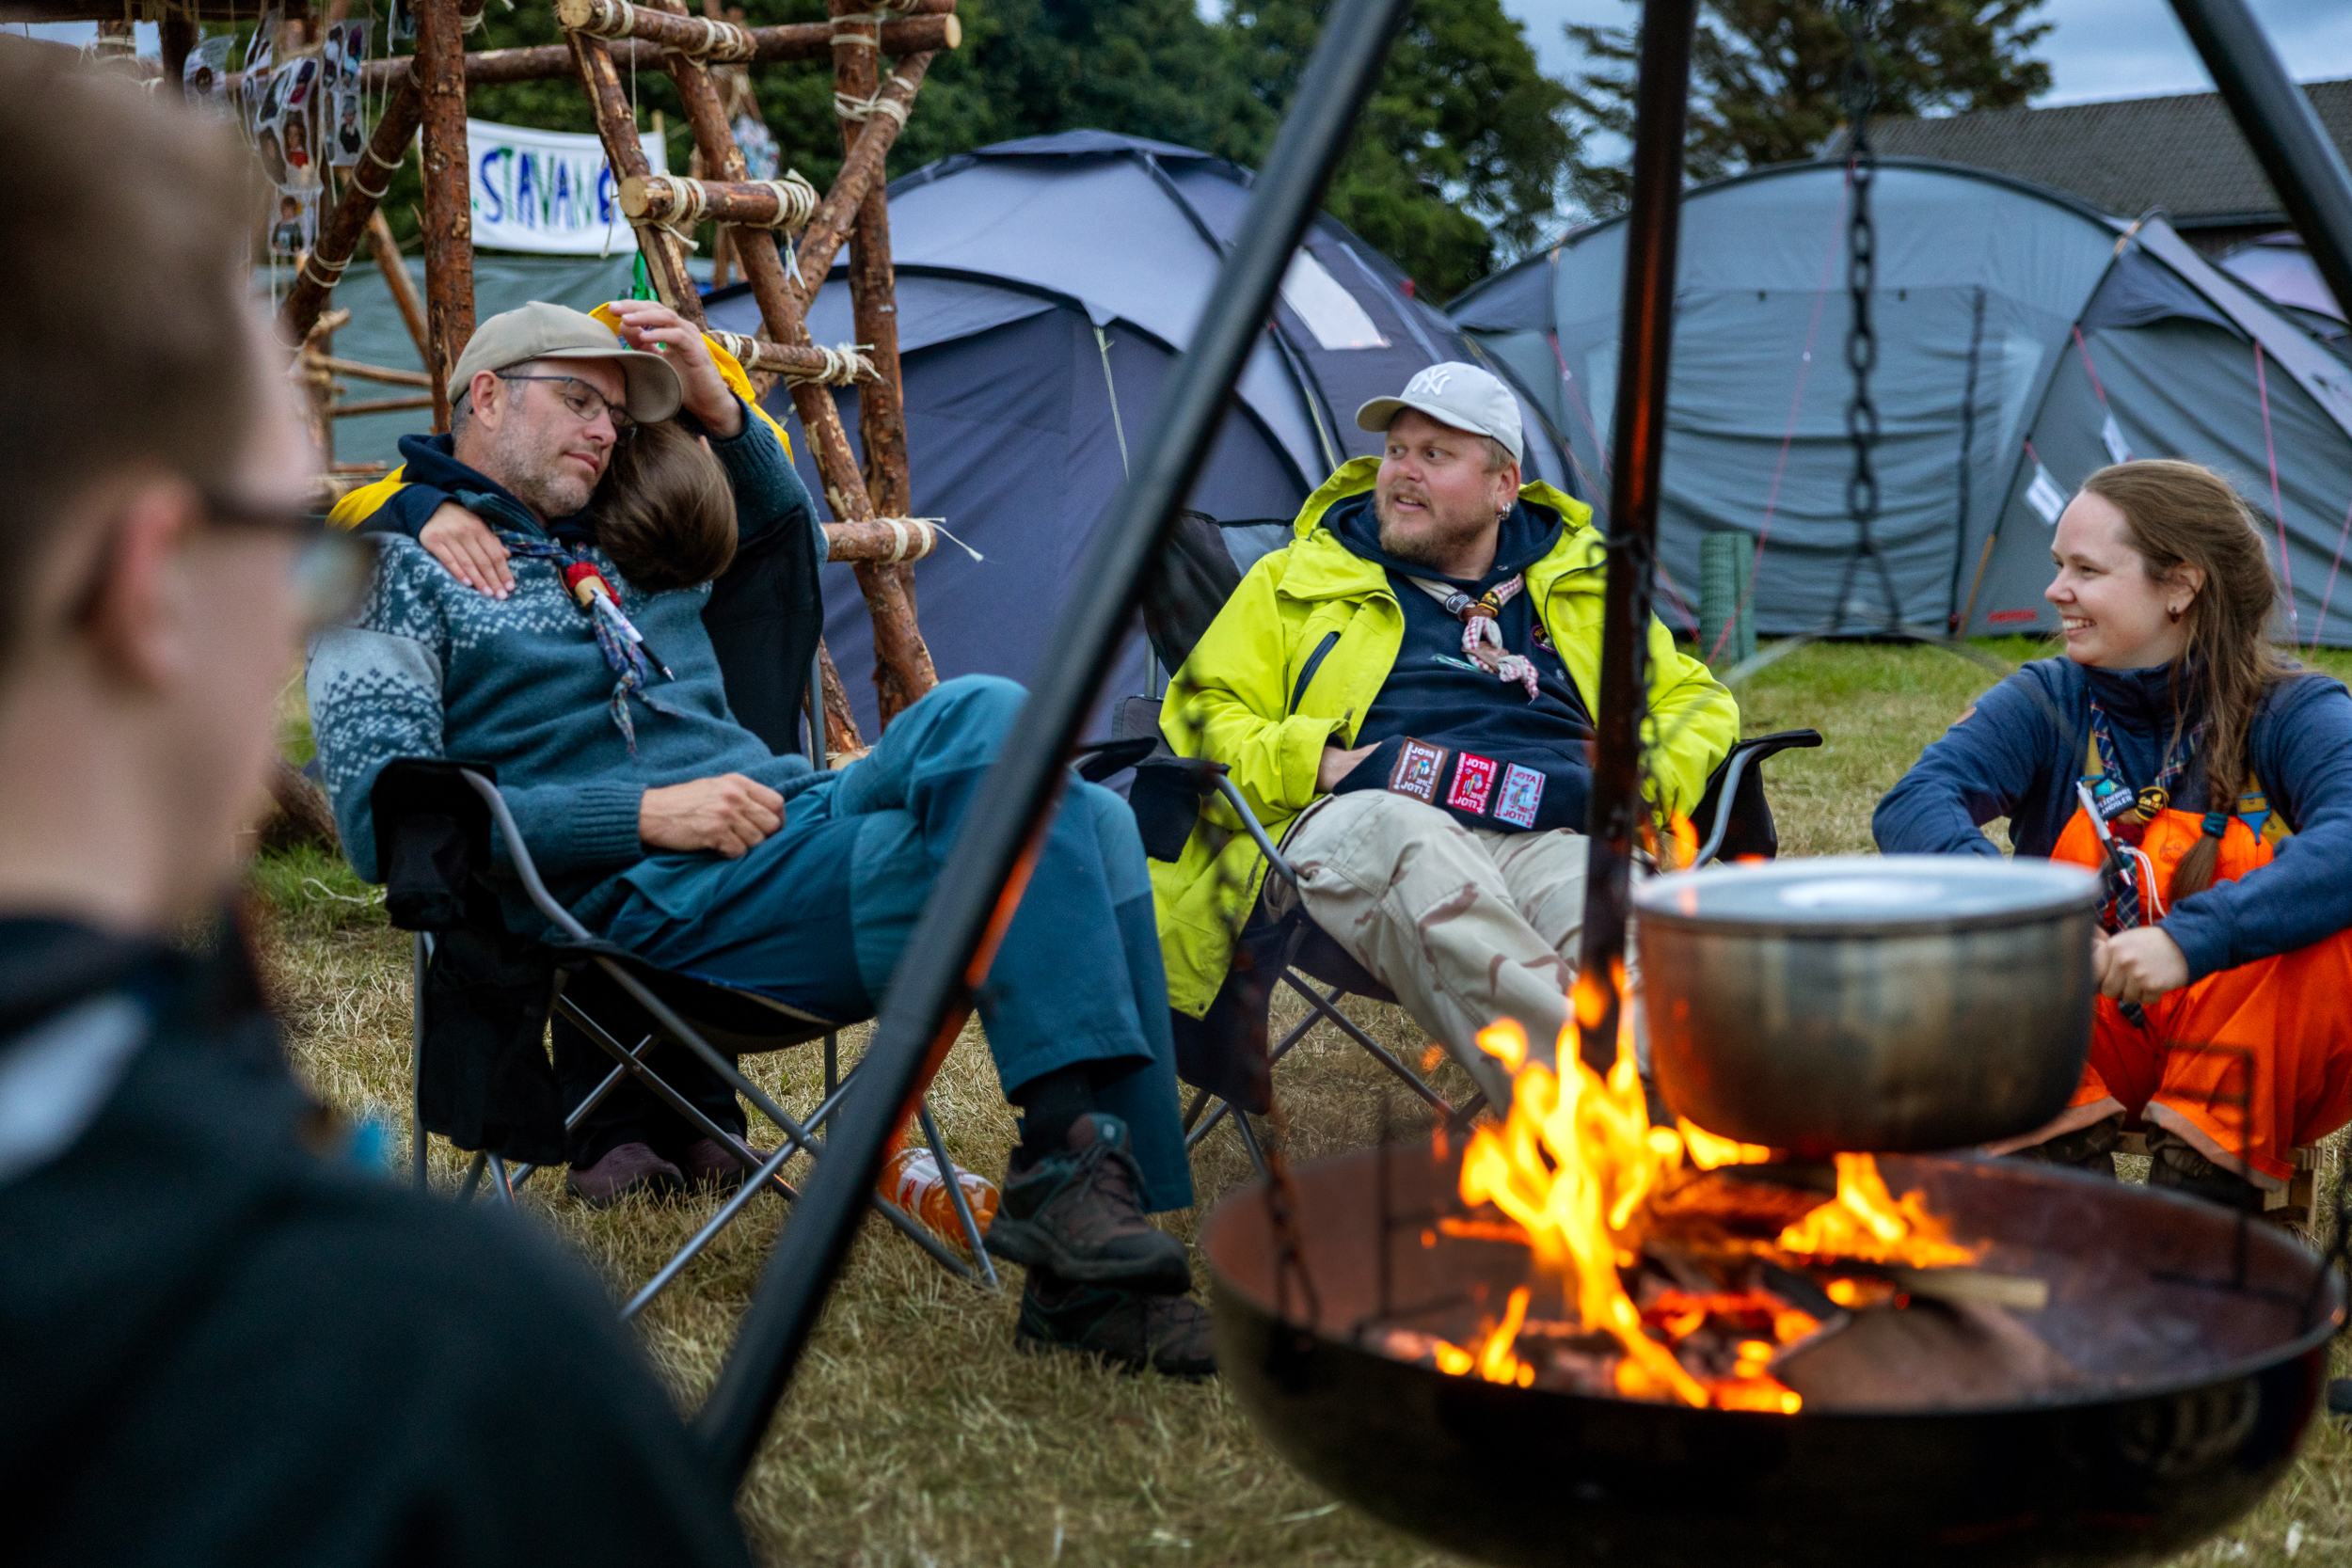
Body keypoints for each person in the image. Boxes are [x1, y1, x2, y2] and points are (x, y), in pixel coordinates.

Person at [0, 57, 752, 1563]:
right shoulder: (425, 1376)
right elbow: (402, 799)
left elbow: (758, 545)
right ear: (152, 591)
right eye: (297, 555)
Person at [310, 301, 1213, 1374]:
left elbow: (776, 520)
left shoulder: (628, 541)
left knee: (1014, 739)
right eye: (577, 400)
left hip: (791, 817)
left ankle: (1091, 1219)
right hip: (650, 904)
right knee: (1080, 814)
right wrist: (642, 814)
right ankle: (1089, 1222)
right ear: (488, 394)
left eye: (614, 412)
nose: (604, 431)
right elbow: (385, 818)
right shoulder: (390, 569)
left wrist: (708, 388)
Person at [1153, 362, 1739, 1076]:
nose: (1403, 472)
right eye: (1396, 451)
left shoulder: (1583, 577)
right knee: (1413, 845)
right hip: (1368, 807)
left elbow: (1696, 701)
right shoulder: (1298, 577)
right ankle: (1607, 1112)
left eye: (1435, 455)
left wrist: (1639, 777)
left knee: (1623, 930)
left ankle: (1687, 1124)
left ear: (1503, 486)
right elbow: (1199, 708)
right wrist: (1319, 759)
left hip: (1549, 820)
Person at [1876, 459, 2352, 1209]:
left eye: (2086, 569)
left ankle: (2200, 1202)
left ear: (2179, 585)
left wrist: (2187, 942)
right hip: (2076, 1034)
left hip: (2248, 1048)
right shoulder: (2047, 697)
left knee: (2332, 932)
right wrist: (2032, 922)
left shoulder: (2290, 708)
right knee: (1954, 930)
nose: (2055, 590)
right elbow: (1914, 802)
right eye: (2059, 565)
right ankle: (2070, 1193)